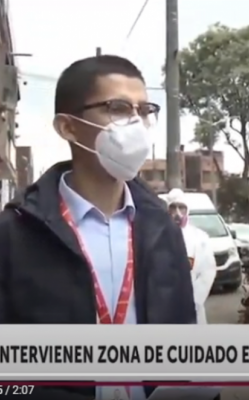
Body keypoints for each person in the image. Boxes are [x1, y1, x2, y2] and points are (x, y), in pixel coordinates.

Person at [0, 55, 196, 399]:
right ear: (68, 126)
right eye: (117, 108)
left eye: (144, 110)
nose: (137, 124)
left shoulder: (162, 229)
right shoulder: (15, 234)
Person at [163, 188, 217, 324]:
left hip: (193, 309)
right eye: (173, 208)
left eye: (181, 208)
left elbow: (207, 272)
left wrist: (192, 301)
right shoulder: (157, 238)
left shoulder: (200, 239)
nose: (177, 214)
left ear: (188, 210)